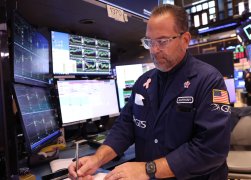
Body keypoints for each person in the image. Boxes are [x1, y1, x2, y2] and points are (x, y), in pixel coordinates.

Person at [68, 4, 231, 180]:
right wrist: (96, 160)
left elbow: (211, 149)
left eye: (162, 41)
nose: (153, 50)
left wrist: (148, 169)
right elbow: (125, 127)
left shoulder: (209, 81)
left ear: (185, 40)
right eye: (149, 42)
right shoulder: (143, 82)